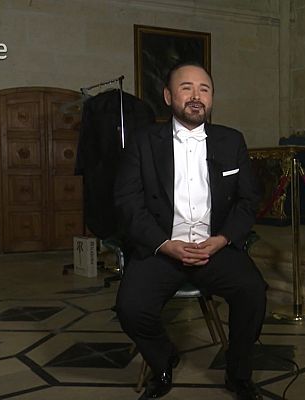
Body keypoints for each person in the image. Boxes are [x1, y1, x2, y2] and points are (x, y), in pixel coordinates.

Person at [114, 62, 267, 400]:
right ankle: (163, 359)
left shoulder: (231, 140)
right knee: (130, 308)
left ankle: (238, 374)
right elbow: (127, 203)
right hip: (162, 248)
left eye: (205, 89)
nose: (196, 96)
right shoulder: (143, 142)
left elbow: (247, 200)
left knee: (253, 292)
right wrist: (164, 244)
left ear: (212, 98)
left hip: (215, 248)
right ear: (169, 96)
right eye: (187, 88)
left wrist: (223, 239)